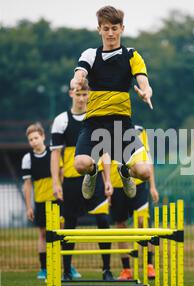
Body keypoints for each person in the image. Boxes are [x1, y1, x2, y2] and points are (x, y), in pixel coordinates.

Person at [70, 5, 153, 202]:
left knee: (144, 172)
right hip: (94, 124)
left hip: (121, 125)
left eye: (114, 28)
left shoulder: (132, 55)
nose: (110, 33)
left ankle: (124, 171)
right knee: (80, 164)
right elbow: (80, 72)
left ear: (122, 29)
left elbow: (143, 80)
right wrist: (76, 80)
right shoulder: (91, 54)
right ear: (99, 29)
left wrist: (146, 91)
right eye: (106, 28)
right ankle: (92, 173)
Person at [51, 79, 114, 281]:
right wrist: (55, 182)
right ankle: (67, 271)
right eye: (77, 94)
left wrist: (109, 179)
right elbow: (55, 155)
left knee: (104, 221)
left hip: (95, 180)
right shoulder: (61, 121)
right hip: (70, 181)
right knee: (69, 225)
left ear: (90, 95)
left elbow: (105, 153)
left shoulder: (97, 119)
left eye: (85, 94)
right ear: (71, 94)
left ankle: (106, 270)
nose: (81, 98)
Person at [108, 125, 159, 280]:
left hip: (137, 184)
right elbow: (104, 159)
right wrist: (107, 184)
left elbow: (147, 159)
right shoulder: (106, 131)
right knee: (120, 226)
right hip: (117, 186)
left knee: (143, 222)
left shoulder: (139, 130)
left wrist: (152, 186)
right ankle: (126, 269)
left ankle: (149, 266)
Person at [21, 122, 58, 280]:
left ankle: (67, 267)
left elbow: (61, 174)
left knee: (61, 233)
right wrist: (29, 207)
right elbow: (27, 185)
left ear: (43, 136)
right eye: (30, 140)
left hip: (57, 199)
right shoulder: (28, 159)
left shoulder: (53, 153)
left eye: (36, 138)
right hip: (41, 201)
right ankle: (44, 268)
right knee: (43, 234)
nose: (34, 141)